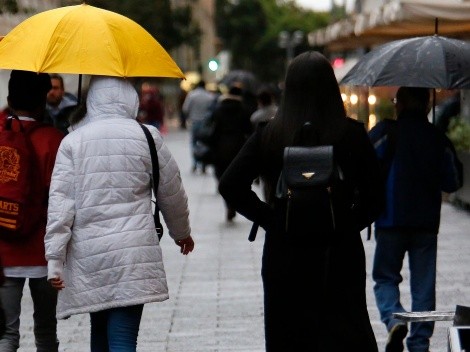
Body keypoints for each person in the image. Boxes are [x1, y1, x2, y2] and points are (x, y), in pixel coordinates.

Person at [218, 51, 384, 351]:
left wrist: (271, 219)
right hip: (339, 253)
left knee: (289, 334)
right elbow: (377, 197)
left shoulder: (270, 134)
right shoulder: (351, 134)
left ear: (289, 89)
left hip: (285, 251)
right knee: (344, 331)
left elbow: (230, 184)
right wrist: (346, 222)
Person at [44, 76, 194, 352]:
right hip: (132, 252)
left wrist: (54, 257)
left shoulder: (72, 142)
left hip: (89, 252)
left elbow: (61, 203)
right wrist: (181, 232)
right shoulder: (147, 136)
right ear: (130, 98)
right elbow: (171, 191)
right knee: (123, 336)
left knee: (98, 329)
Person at [369, 87, 463, 352]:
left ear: (402, 104)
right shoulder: (437, 138)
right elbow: (454, 181)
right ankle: (419, 342)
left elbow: (364, 165)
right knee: (423, 284)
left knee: (385, 277)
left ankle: (394, 318)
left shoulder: (385, 133)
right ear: (425, 105)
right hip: (425, 223)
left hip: (390, 219)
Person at [0, 70, 64, 352]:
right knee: (46, 330)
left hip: (3, 252)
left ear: (9, 98)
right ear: (43, 101)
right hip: (45, 252)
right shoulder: (56, 140)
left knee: (6, 333)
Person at [210, 85, 253, 221]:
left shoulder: (218, 110)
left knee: (222, 177)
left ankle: (228, 204)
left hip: (221, 147)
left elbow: (214, 130)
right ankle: (233, 204)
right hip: (238, 147)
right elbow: (249, 130)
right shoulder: (244, 110)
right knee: (236, 178)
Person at [182, 79, 216, 173]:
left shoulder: (192, 95)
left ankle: (195, 164)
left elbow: (185, 108)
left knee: (194, 143)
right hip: (206, 124)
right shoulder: (210, 97)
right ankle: (204, 164)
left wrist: (189, 116)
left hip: (194, 122)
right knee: (204, 143)